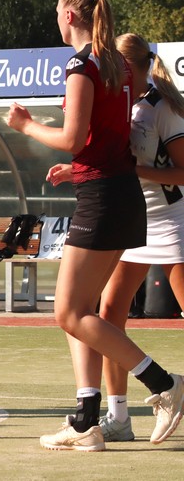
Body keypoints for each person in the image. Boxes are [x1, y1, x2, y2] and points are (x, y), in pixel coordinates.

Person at [6, 0, 183, 451]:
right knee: (81, 312)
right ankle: (87, 420)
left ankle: (164, 384)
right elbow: (104, 138)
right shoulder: (118, 64)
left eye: (56, 11)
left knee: (69, 311)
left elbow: (73, 137)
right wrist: (81, 167)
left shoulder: (83, 65)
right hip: (117, 192)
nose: (56, 18)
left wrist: (26, 125)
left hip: (105, 197)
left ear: (68, 15)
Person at [92, 33, 184, 443]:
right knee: (110, 314)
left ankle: (172, 395)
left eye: (115, 64)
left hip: (175, 221)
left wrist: (134, 171)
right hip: (136, 223)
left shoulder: (164, 108)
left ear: (129, 66)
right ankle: (119, 418)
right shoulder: (121, 104)